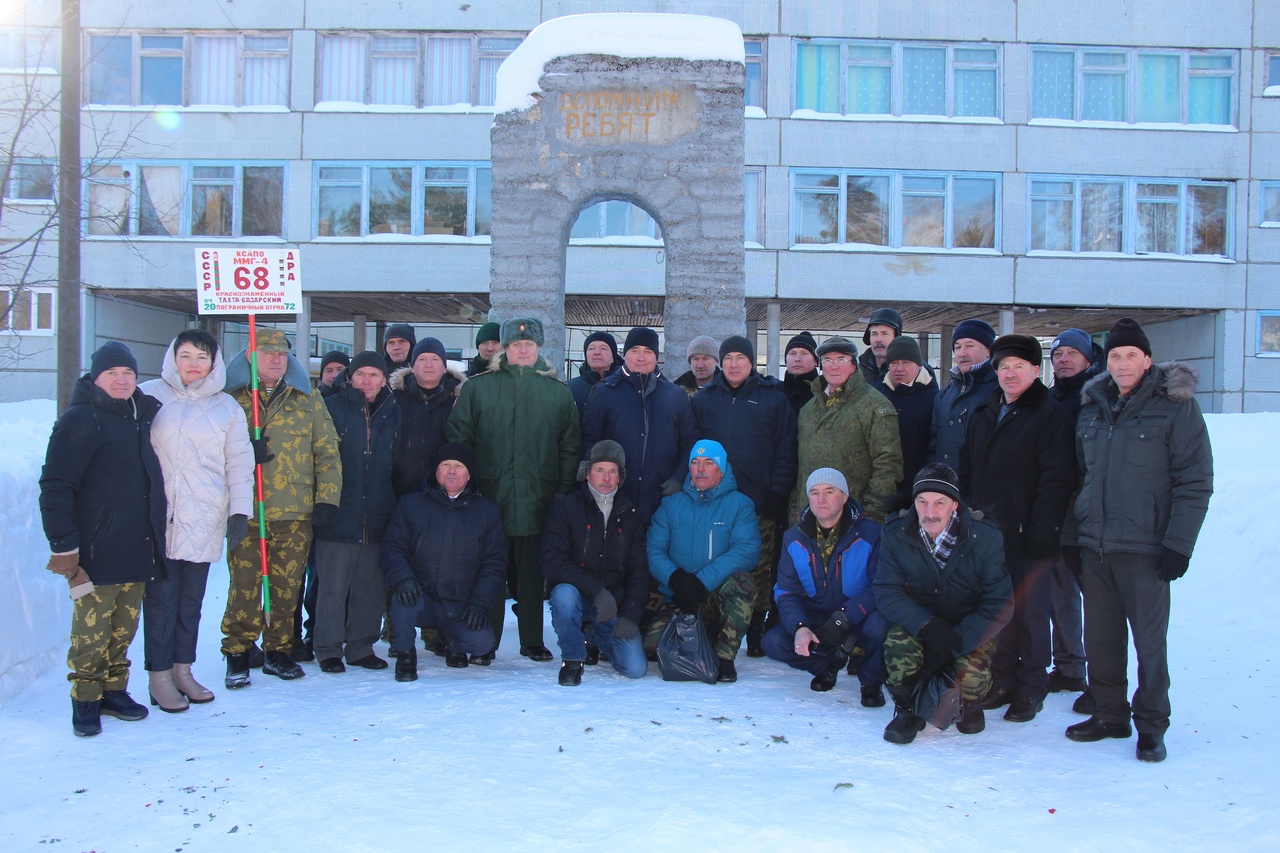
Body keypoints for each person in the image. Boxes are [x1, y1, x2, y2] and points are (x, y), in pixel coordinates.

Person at [1063, 318, 1213, 763]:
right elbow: (1081, 478)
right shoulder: (1092, 407)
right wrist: (1074, 537)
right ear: (1105, 362)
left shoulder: (1175, 406)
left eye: (1131, 355)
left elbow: (1195, 480)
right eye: (1114, 355)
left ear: (1147, 360)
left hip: (1146, 548)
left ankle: (1151, 724)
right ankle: (1110, 714)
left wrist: (1178, 544)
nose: (1123, 363)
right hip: (1096, 545)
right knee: (1102, 639)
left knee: (1149, 642)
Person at [39, 341, 166, 737]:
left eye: (128, 373)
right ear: (96, 378)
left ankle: (114, 690)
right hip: (95, 548)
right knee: (92, 630)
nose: (121, 379)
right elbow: (56, 485)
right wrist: (64, 546)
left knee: (124, 627)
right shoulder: (80, 419)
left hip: (136, 543)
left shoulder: (137, 415)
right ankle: (86, 698)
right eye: (112, 373)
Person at [447, 317, 580, 661]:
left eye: (529, 345)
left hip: (540, 496)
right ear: (505, 348)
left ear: (539, 348)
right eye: (516, 345)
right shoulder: (479, 389)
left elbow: (569, 446)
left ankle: (532, 639)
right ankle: (485, 641)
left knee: (533, 573)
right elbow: (459, 441)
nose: (523, 350)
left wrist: (563, 490)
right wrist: (468, 490)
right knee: (490, 570)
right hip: (491, 496)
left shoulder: (557, 392)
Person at [960, 334, 1076, 724]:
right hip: (988, 533)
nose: (1010, 374)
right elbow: (967, 469)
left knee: (1030, 614)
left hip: (1030, 533)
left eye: (1018, 367)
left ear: (1034, 371)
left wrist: (1044, 530)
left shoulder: (1049, 413)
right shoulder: (984, 411)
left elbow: (1057, 478)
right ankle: (1004, 679)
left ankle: (1031, 686)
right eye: (1003, 367)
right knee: (999, 612)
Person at [139, 330, 254, 712]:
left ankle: (182, 670)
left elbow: (239, 464)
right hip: (157, 517)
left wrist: (240, 511)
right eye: (185, 355)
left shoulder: (227, 408)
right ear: (173, 358)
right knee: (160, 601)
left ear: (214, 364)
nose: (192, 363)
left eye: (201, 357)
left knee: (190, 602)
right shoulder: (148, 396)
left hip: (204, 514)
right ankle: (159, 677)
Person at [221, 328, 341, 689]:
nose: (275, 359)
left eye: (281, 354)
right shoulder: (231, 399)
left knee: (287, 585)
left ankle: (278, 650)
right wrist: (245, 453)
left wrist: (327, 499)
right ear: (249, 357)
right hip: (246, 507)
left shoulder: (307, 398)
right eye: (266, 353)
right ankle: (238, 652)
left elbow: (327, 451)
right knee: (244, 584)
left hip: (294, 508)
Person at [873, 464, 1012, 745]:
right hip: (920, 622)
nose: (929, 511)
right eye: (921, 502)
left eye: (939, 502)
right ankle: (907, 707)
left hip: (967, 625)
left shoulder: (984, 538)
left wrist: (955, 641)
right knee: (898, 648)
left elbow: (999, 603)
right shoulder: (895, 532)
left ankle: (967, 704)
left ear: (955, 506)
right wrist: (926, 626)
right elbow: (887, 591)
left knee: (971, 675)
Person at [692, 334, 798, 656]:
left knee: (759, 567)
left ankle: (754, 628)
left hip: (758, 503)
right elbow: (692, 447)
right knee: (715, 563)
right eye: (728, 359)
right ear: (720, 363)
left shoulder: (773, 398)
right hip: (715, 503)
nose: (734, 364)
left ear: (752, 363)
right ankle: (716, 624)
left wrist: (778, 491)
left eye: (741, 358)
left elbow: (786, 448)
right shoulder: (705, 399)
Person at [380, 443, 507, 680]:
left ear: (468, 475)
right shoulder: (411, 504)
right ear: (436, 472)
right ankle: (406, 654)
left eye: (459, 467)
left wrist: (480, 603)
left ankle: (453, 643)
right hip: (422, 595)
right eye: (445, 465)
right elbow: (392, 547)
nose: (451, 471)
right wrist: (403, 578)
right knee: (402, 601)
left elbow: (494, 563)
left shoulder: (486, 511)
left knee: (482, 643)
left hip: (460, 600)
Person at [764, 468, 888, 705]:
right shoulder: (793, 538)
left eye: (829, 491)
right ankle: (827, 664)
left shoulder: (872, 534)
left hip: (858, 616)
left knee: (880, 625)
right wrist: (800, 627)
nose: (821, 499)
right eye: (814, 492)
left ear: (844, 496)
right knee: (773, 641)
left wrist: (843, 618)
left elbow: (879, 586)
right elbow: (787, 591)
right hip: (818, 616)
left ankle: (871, 683)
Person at [644, 440, 761, 684]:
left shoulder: (740, 505)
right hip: (678, 597)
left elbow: (746, 550)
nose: (700, 469)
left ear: (722, 468)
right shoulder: (670, 505)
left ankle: (724, 658)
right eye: (695, 463)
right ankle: (701, 638)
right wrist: (676, 578)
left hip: (716, 598)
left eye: (709, 463)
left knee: (744, 583)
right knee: (651, 646)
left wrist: (701, 581)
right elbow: (653, 550)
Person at [313, 351, 400, 673]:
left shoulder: (393, 411)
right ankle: (328, 648)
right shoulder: (331, 408)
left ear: (383, 379)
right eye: (361, 374)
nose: (367, 381)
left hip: (378, 514)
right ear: (350, 377)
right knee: (333, 587)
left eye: (374, 375)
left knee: (370, 587)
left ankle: (361, 646)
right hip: (339, 513)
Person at [541, 440, 650, 685]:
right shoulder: (566, 508)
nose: (606, 478)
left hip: (613, 604)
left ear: (620, 476)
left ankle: (593, 635)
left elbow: (639, 572)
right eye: (600, 469)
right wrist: (595, 589)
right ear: (587, 472)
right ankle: (572, 658)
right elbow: (551, 560)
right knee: (564, 596)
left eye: (613, 471)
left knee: (635, 668)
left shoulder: (630, 515)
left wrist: (631, 615)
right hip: (577, 593)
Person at [581, 326, 698, 526]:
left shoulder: (676, 396)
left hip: (661, 498)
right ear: (625, 355)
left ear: (656, 357)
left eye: (648, 352)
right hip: (615, 497)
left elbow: (689, 443)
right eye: (634, 351)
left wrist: (679, 477)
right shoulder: (604, 392)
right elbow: (588, 442)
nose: (641, 357)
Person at [1046, 328, 1103, 696]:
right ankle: (1069, 667)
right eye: (1057, 354)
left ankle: (1104, 680)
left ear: (1087, 358)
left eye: (1071, 353)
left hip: (1093, 514)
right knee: (1060, 593)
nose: (1064, 359)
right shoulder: (1050, 399)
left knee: (1100, 601)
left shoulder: (1098, 399)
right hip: (1056, 512)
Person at [792, 335, 902, 524]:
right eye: (828, 360)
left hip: (853, 516)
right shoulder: (809, 410)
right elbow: (800, 467)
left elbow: (888, 465)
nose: (834, 366)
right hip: (810, 516)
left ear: (854, 364)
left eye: (841, 359)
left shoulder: (874, 405)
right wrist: (795, 508)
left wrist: (873, 514)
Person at [873, 335, 938, 501]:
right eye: (894, 363)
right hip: (877, 487)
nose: (899, 368)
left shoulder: (935, 398)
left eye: (906, 362)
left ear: (918, 365)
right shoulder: (874, 394)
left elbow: (936, 446)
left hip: (916, 488)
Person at [928, 318, 997, 469]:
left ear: (988, 350)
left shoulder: (999, 391)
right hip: (946, 486)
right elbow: (934, 446)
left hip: (979, 488)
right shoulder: (944, 395)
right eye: (957, 347)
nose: (962, 353)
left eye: (969, 345)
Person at [568, 331, 623, 420]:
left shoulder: (625, 387)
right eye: (591, 348)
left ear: (613, 357)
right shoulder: (569, 389)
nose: (597, 352)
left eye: (604, 348)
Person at [858, 307, 902, 384]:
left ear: (896, 338)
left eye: (884, 334)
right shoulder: (856, 372)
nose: (878, 339)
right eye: (874, 334)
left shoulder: (911, 371)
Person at [782, 331, 819, 414]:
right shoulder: (773, 393)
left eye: (804, 353)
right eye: (792, 353)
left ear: (816, 361)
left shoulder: (827, 392)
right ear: (786, 360)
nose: (797, 359)